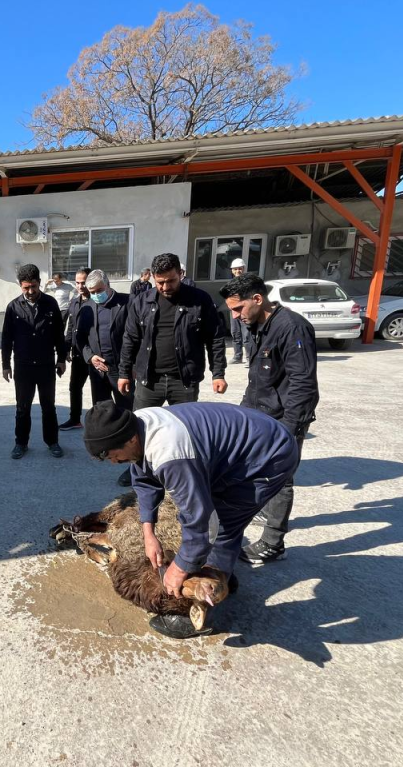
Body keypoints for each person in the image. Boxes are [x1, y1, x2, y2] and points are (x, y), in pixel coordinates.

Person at [83, 400, 300, 638]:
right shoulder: (138, 424)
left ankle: (200, 605)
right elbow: (145, 482)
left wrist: (180, 567)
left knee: (225, 523)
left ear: (131, 439)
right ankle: (218, 572)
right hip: (241, 448)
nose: (113, 462)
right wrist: (148, 532)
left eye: (113, 455)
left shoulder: (171, 454)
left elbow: (204, 524)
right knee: (210, 514)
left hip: (266, 458)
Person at [220, 273, 319, 566]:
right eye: (232, 311)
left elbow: (302, 382)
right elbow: (259, 378)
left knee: (280, 479)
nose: (236, 316)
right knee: (246, 468)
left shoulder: (292, 327)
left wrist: (289, 431)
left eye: (239, 309)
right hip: (259, 413)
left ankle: (274, 542)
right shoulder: (259, 325)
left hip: (283, 419)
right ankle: (261, 508)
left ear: (258, 299)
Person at [117, 252, 228, 410]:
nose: (166, 287)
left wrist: (218, 374)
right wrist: (124, 373)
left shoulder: (200, 300)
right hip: (149, 381)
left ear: (180, 274)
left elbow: (214, 338)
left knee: (184, 428)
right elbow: (130, 339)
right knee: (142, 426)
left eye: (171, 281)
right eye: (160, 282)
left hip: (184, 382)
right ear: (153, 277)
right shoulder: (141, 302)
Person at [1, 263, 67, 459]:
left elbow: (59, 335)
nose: (30, 291)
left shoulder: (50, 304)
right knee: (22, 408)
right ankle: (21, 443)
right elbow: (6, 338)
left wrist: (62, 359)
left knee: (49, 407)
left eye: (34, 287)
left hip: (46, 365)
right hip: (23, 366)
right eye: (26, 288)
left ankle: (52, 442)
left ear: (39, 283)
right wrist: (5, 365)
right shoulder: (13, 307)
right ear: (20, 286)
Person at [79, 269, 134, 486]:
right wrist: (90, 357)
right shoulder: (86, 308)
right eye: (92, 291)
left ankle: (129, 455)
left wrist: (132, 367)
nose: (96, 295)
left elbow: (136, 336)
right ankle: (106, 448)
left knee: (126, 411)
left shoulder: (127, 303)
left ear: (108, 285)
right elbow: (80, 339)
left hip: (121, 370)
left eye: (99, 290)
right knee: (102, 412)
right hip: (98, 371)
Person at [59, 267, 93, 431]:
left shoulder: (98, 301)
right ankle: (75, 419)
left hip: (96, 356)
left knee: (99, 390)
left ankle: (101, 423)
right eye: (77, 282)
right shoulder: (75, 301)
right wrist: (66, 350)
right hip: (79, 355)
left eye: (83, 282)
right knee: (75, 387)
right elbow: (70, 328)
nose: (80, 286)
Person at [227, 258, 252, 364]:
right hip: (234, 312)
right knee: (235, 334)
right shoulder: (230, 283)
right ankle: (237, 356)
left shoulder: (248, 282)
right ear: (232, 270)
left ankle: (249, 358)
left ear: (244, 269)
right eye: (235, 269)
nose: (238, 271)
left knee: (246, 336)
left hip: (245, 312)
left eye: (240, 269)